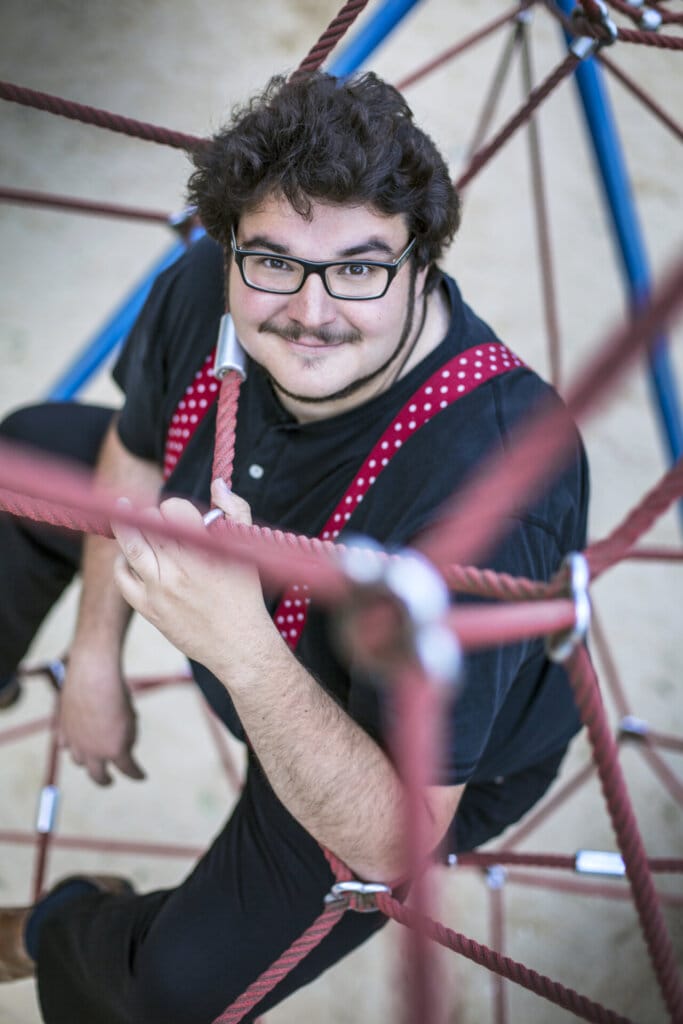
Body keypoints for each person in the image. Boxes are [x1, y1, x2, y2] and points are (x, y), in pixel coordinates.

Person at [0, 71, 589, 1023]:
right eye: (272, 262)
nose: (310, 313)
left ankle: (51, 929)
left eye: (359, 268)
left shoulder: (493, 483)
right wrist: (99, 658)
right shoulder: (209, 283)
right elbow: (135, 450)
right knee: (30, 452)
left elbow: (398, 833)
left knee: (172, 997)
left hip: (388, 747)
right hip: (225, 595)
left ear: (423, 264)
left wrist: (239, 648)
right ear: (231, 248)